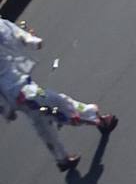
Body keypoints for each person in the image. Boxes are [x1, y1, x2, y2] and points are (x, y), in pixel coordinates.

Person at [1, 17, 118, 173]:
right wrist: (33, 41)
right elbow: (18, 35)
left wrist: (5, 109)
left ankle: (62, 158)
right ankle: (97, 119)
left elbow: (16, 34)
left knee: (41, 121)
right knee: (57, 103)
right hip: (22, 92)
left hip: (19, 89)